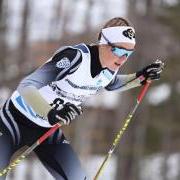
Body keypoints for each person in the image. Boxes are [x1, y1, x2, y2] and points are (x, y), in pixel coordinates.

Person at [0, 17, 164, 180]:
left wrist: (141, 77)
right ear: (103, 42)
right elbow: (26, 86)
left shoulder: (110, 68)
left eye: (128, 53)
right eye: (119, 51)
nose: (122, 59)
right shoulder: (74, 58)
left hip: (47, 130)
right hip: (13, 120)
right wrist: (50, 112)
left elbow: (111, 84)